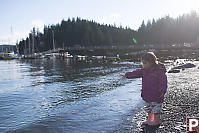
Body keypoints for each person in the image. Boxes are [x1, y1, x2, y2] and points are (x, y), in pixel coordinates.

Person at [120, 52, 167, 126]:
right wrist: (126, 75)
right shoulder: (144, 71)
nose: (143, 65)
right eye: (142, 63)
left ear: (151, 62)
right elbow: (135, 73)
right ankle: (150, 120)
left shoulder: (159, 71)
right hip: (147, 94)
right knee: (149, 109)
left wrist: (162, 90)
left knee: (156, 109)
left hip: (157, 95)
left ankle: (156, 121)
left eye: (145, 63)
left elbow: (163, 82)